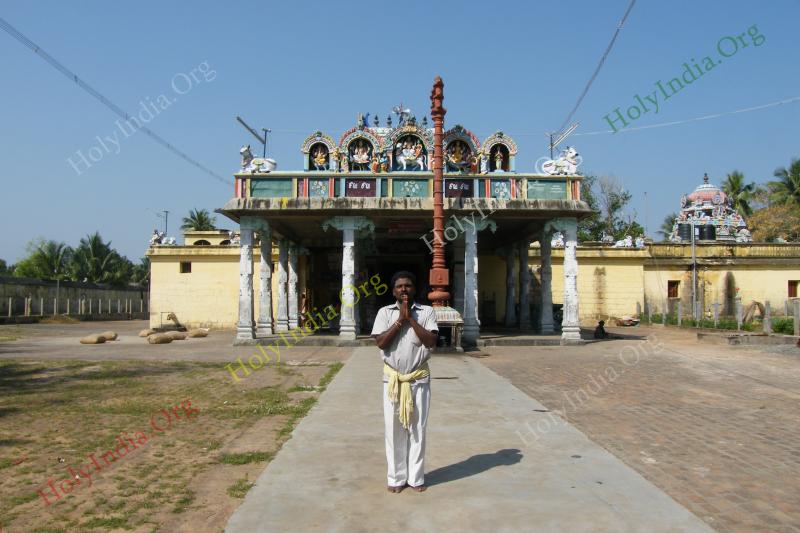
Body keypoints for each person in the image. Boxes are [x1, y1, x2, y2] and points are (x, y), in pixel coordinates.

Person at [371, 271, 438, 493]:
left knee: (417, 429)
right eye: (399, 286)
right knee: (394, 430)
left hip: (418, 378)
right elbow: (381, 342)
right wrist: (400, 320)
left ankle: (416, 478)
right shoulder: (384, 313)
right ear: (393, 291)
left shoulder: (426, 312)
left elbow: (430, 341)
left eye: (408, 286)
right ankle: (396, 478)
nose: (404, 290)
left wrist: (411, 319)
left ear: (414, 289)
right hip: (392, 380)